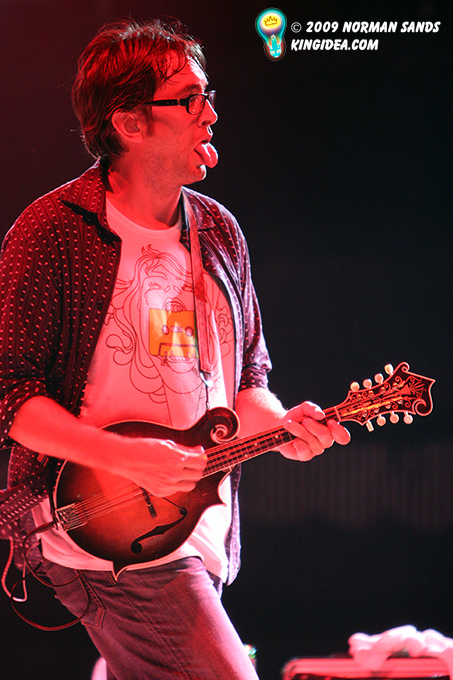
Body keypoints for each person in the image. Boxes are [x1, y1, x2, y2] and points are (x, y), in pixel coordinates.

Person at [0, 18, 350, 680]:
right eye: (189, 99)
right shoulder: (52, 232)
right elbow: (10, 396)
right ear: (129, 122)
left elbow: (246, 385)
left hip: (192, 532)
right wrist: (126, 457)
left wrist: (284, 427)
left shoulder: (219, 231)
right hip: (99, 534)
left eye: (206, 95)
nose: (210, 113)